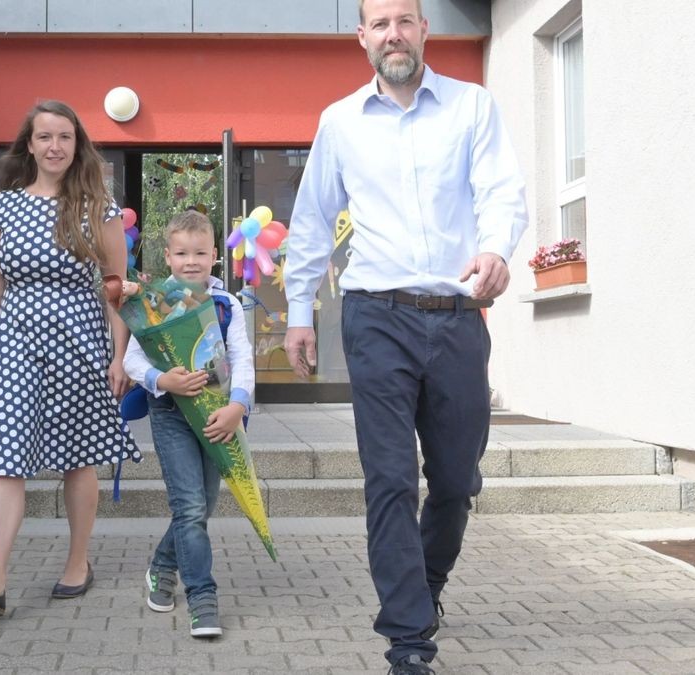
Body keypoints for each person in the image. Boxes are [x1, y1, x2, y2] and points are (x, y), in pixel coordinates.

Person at [283, 0, 529, 672]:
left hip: (456, 315)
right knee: (389, 477)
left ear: (424, 30)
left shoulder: (471, 106)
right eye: (380, 23)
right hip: (376, 316)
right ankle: (409, 639)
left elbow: (502, 190)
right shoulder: (340, 122)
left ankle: (427, 584)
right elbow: (310, 222)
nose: (394, 33)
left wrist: (497, 249)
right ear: (363, 38)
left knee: (454, 481)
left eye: (405, 19)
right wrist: (298, 311)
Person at [0, 100, 139, 617]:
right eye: (45, 137)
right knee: (6, 453)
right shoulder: (6, 206)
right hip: (15, 340)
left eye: (64, 136)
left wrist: (119, 355)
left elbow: (116, 289)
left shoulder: (97, 207)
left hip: (80, 339)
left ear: (76, 145)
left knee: (79, 455)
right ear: (30, 145)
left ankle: (77, 562)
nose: (55, 146)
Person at [123, 209, 254, 639]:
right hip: (172, 415)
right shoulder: (153, 302)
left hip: (218, 414)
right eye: (182, 253)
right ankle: (202, 597)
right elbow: (132, 360)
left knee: (202, 506)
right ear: (168, 256)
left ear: (215, 255)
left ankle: (162, 565)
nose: (191, 261)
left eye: (200, 252)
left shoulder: (226, 304)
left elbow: (243, 361)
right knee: (191, 508)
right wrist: (162, 379)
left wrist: (238, 407)